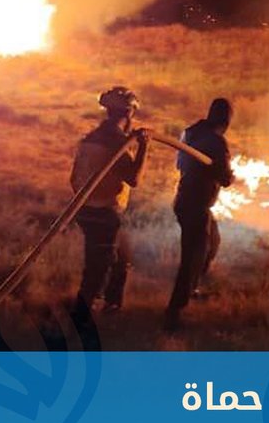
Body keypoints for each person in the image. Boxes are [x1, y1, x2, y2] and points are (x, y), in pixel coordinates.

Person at [69, 86, 149, 319]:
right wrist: (144, 146)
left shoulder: (91, 138)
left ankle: (112, 307)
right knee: (99, 266)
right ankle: (82, 316)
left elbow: (74, 177)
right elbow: (134, 179)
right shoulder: (115, 142)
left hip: (87, 208)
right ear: (129, 112)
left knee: (120, 258)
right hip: (104, 212)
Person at [164, 98, 235, 331]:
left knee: (212, 242)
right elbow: (224, 178)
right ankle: (175, 312)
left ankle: (191, 288)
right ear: (226, 120)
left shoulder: (190, 133)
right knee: (193, 256)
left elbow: (180, 165)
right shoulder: (216, 141)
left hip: (185, 201)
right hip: (195, 206)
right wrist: (229, 176)